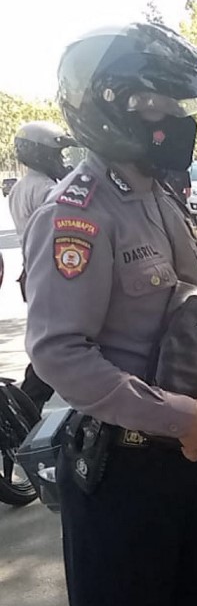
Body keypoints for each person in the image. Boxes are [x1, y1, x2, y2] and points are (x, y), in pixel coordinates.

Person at [22, 23, 197, 606]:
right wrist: (180, 416)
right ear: (110, 106)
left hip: (194, 464)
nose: (176, 121)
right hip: (126, 477)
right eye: (159, 105)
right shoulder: (77, 214)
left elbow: (192, 321)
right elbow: (59, 354)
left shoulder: (162, 198)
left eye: (178, 106)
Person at [8, 120, 76, 409]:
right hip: (52, 276)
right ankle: (29, 408)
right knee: (57, 346)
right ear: (41, 153)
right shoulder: (48, 190)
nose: (61, 161)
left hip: (33, 273)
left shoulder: (20, 188)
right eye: (57, 154)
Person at [8, 121, 76, 240]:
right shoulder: (47, 189)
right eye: (59, 154)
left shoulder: (17, 188)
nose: (63, 158)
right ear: (44, 154)